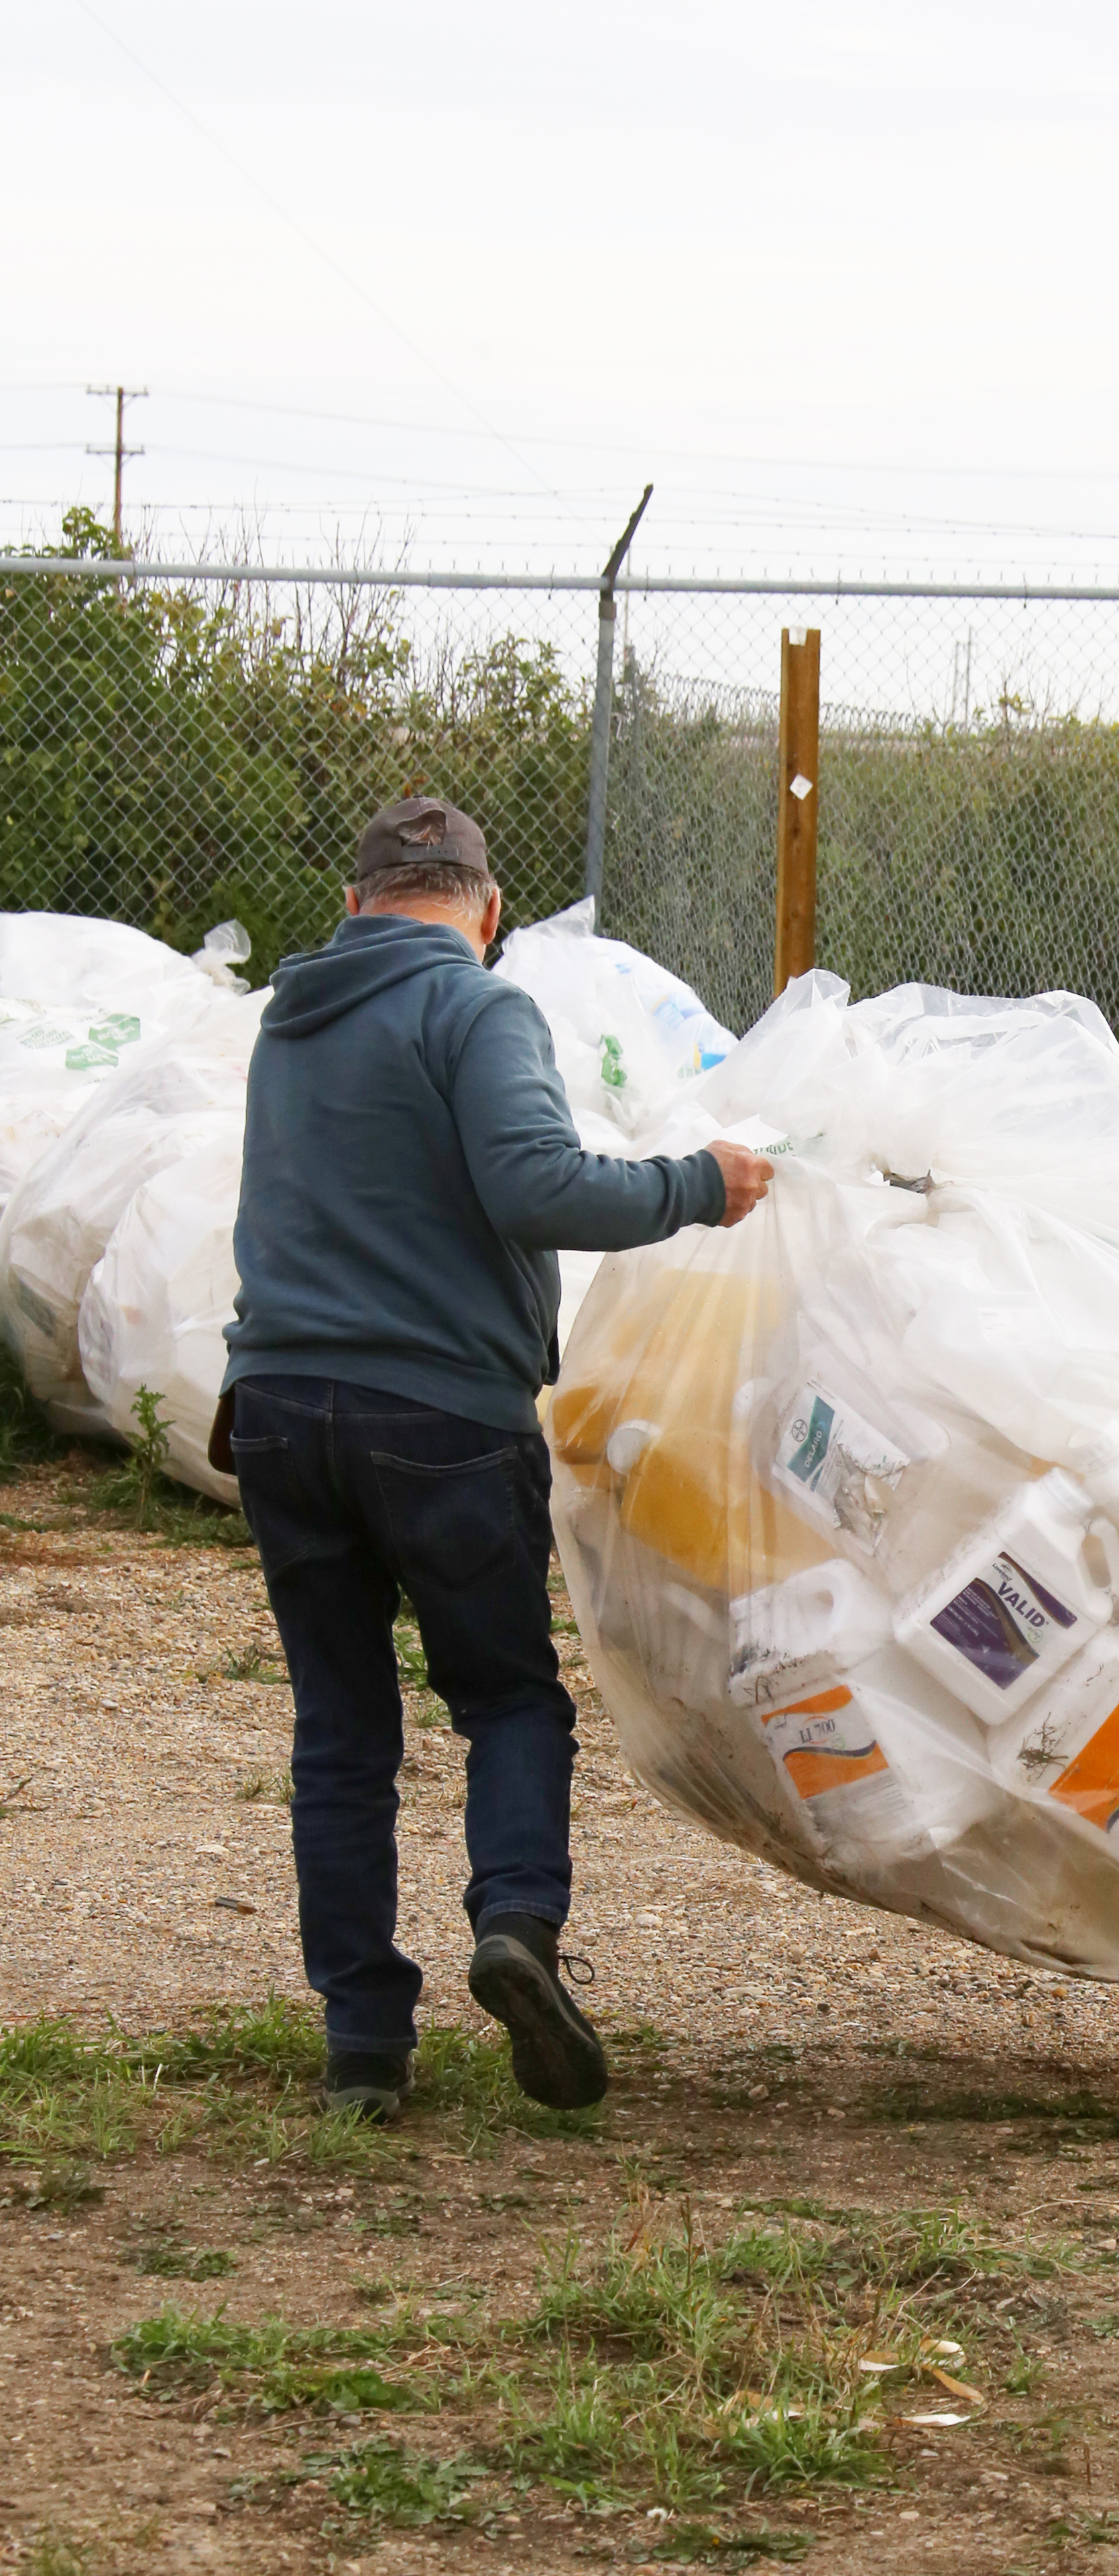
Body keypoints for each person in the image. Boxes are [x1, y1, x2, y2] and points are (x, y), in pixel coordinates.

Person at [211, 799, 772, 2124]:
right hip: (437, 1419)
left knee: (340, 1736)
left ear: (354, 905)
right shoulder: (480, 1010)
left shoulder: (286, 1024)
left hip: (278, 1406)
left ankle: (362, 2051)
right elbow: (535, 1186)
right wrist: (700, 1184)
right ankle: (514, 1926)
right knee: (510, 1703)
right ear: (488, 911)